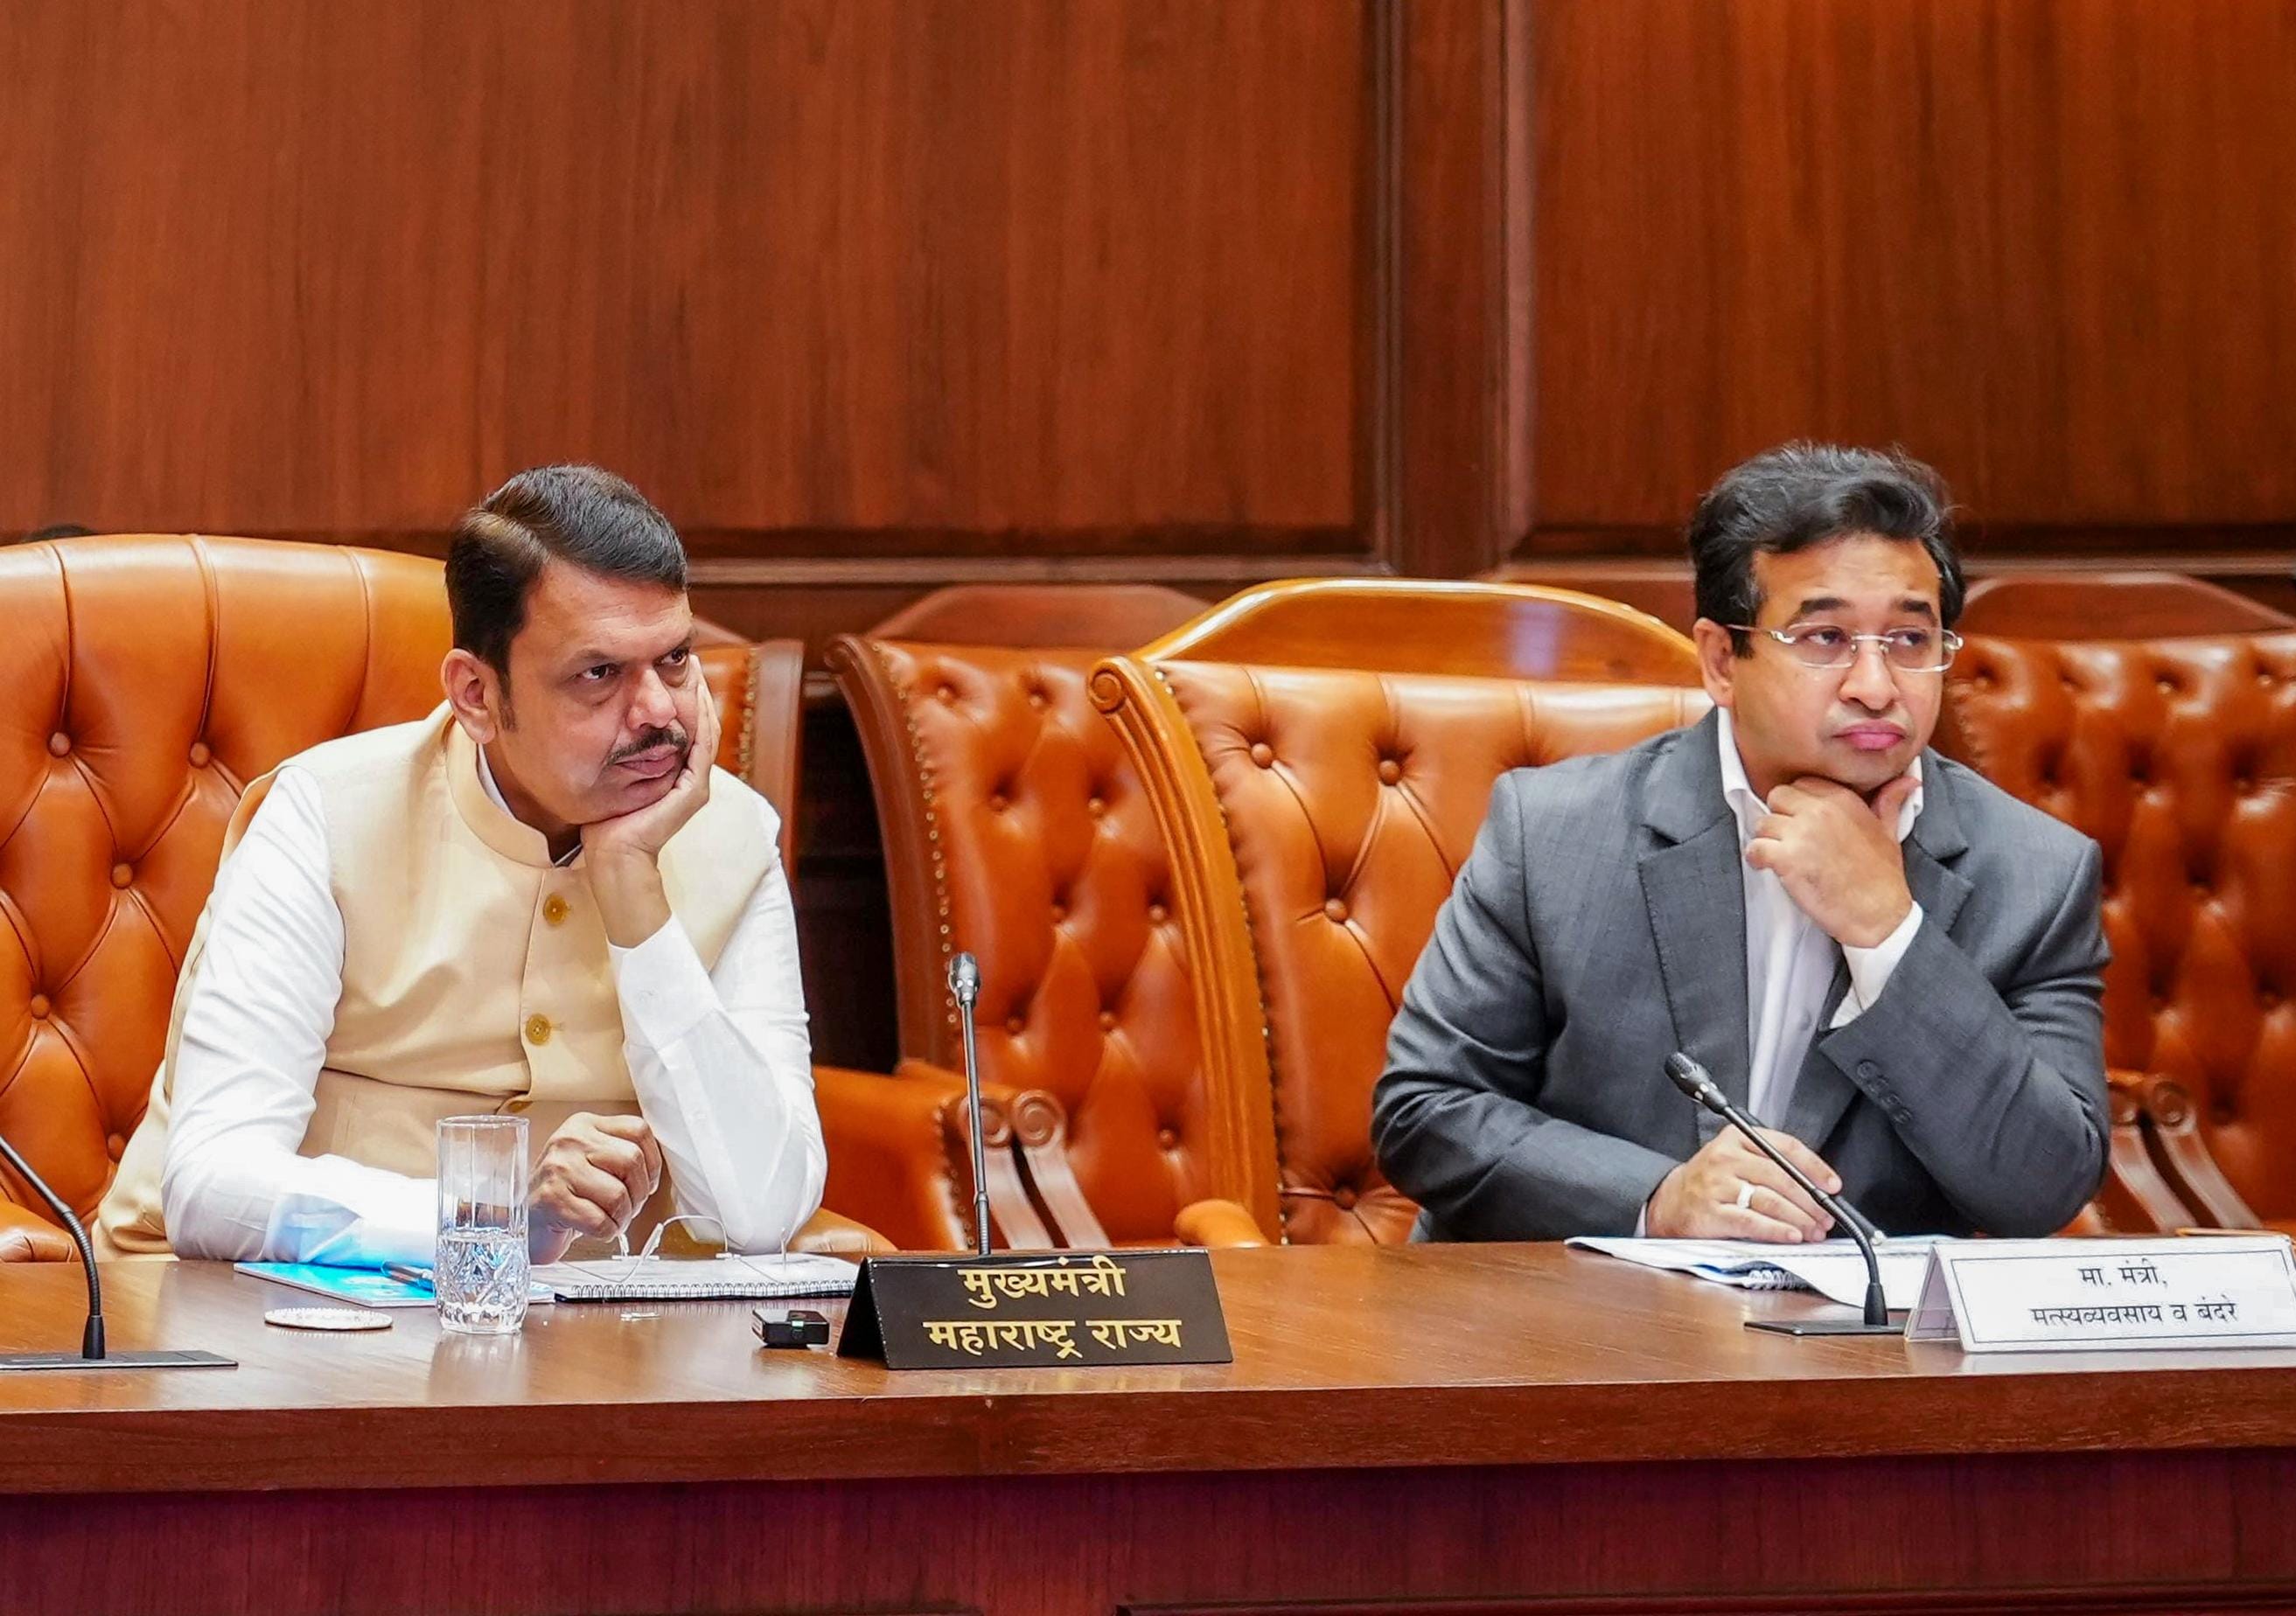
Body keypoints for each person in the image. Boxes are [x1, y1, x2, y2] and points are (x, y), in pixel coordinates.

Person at [1372, 443, 2108, 1242]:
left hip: (1862, 1320)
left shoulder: (2034, 874)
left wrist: (1888, 935)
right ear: (1722, 660)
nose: (1875, 687)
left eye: (1908, 641)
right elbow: (1427, 1112)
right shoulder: (1552, 835)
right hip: (1575, 1306)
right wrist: (1657, 1200)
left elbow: (2041, 1189)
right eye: (1824, 638)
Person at [97, 466, 825, 1263]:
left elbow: (760, 1216)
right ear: (477, 695)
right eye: (599, 674)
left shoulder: (732, 837)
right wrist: (490, 1212)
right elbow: (210, 1186)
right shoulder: (324, 818)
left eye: (675, 659)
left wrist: (633, 892)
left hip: (585, 1326)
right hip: (263, 1308)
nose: (658, 711)